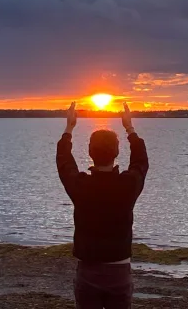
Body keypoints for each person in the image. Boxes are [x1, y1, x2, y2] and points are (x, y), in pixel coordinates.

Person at [56, 101, 148, 309]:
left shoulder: (80, 186)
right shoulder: (128, 184)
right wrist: (130, 128)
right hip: (119, 271)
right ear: (116, 152)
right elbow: (141, 162)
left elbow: (64, 163)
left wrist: (69, 129)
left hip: (88, 271)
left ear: (90, 152)